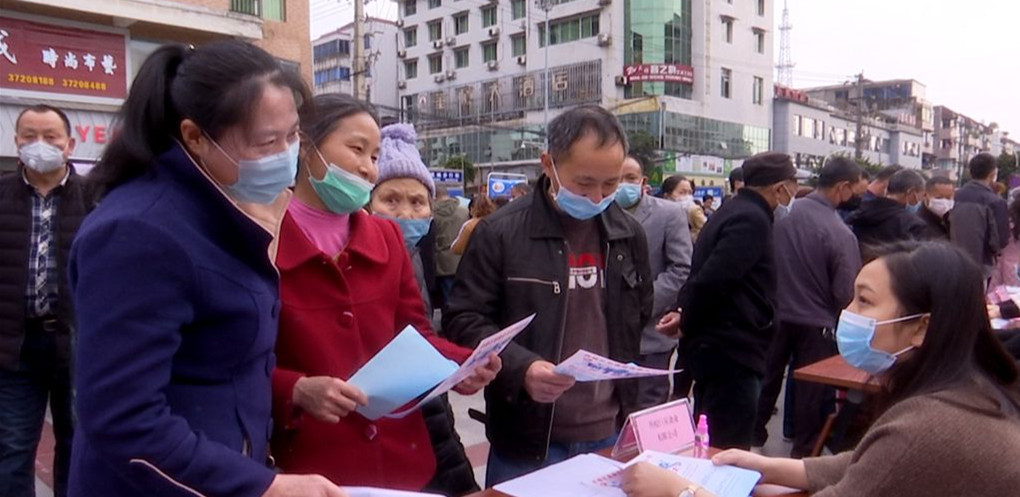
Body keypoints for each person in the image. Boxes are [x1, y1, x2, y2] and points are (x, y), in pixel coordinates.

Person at [68, 41, 346, 497]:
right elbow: (125, 420)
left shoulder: (224, 206)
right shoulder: (139, 233)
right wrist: (261, 486)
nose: (287, 153)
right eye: (267, 142)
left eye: (293, 135)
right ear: (195, 137)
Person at [622, 241, 1020, 497]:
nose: (847, 314)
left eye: (864, 302)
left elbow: (894, 460)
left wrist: (680, 491)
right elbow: (873, 464)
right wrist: (772, 466)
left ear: (921, 327)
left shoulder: (929, 426)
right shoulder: (966, 393)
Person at [271, 94, 499, 494]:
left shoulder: (386, 237)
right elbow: (235, 363)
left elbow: (415, 336)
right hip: (312, 466)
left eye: (374, 156)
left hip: (401, 459)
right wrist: (295, 389)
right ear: (305, 147)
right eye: (357, 149)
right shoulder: (263, 237)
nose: (367, 166)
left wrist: (463, 366)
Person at [443, 105, 653, 485]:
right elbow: (464, 320)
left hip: (607, 429)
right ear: (548, 164)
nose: (597, 197)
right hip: (528, 438)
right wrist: (522, 368)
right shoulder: (501, 232)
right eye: (584, 183)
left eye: (610, 184)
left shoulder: (628, 234)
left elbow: (637, 316)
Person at [656, 152, 798, 451]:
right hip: (732, 349)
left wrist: (684, 313)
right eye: (793, 184)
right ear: (779, 187)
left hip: (718, 345)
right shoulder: (751, 218)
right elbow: (714, 278)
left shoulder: (735, 210)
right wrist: (687, 318)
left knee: (711, 437)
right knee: (727, 447)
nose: (794, 192)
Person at [0, 104, 99, 497]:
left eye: (50, 136)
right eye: (29, 136)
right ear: (16, 141)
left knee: (77, 447)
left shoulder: (96, 198)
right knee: (11, 449)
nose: (39, 144)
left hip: (77, 346)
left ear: (69, 144)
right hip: (14, 348)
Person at [753, 157, 863, 458]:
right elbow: (845, 291)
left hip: (772, 313)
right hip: (816, 323)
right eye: (854, 189)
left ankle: (753, 438)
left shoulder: (779, 216)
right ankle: (803, 454)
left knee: (766, 378)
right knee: (811, 391)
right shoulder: (840, 233)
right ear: (842, 187)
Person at [615, 155, 692, 411]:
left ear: (643, 181)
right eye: (617, 178)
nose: (623, 184)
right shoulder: (598, 213)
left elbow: (680, 268)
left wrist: (641, 304)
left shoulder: (669, 214)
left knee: (648, 407)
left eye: (631, 178)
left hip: (650, 333)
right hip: (608, 335)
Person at [951, 153, 1009, 279]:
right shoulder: (996, 202)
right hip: (982, 266)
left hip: (953, 261)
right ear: (992, 173)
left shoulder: (955, 196)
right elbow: (1001, 239)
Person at [847, 169, 928, 252]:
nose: (921, 200)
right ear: (911, 191)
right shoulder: (912, 224)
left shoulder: (860, 211)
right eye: (921, 195)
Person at [433, 185, 469, 307]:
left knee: (447, 299)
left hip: (442, 263)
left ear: (434, 196)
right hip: (462, 260)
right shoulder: (464, 211)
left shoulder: (431, 214)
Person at [661, 175, 707, 241]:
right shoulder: (657, 216)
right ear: (667, 196)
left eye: (690, 193)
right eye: (682, 193)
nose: (687, 197)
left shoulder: (694, 212)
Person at [918, 176, 954, 240]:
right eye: (939, 198)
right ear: (925, 195)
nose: (944, 202)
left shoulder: (952, 219)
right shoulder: (919, 225)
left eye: (948, 198)